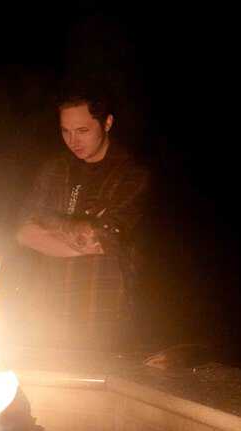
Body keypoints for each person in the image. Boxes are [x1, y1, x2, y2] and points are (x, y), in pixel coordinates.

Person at [15, 87, 149, 349]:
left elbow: (103, 239)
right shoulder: (55, 169)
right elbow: (22, 232)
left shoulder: (132, 174)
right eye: (66, 131)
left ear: (107, 123)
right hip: (50, 317)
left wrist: (46, 223)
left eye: (83, 131)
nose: (73, 140)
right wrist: (81, 230)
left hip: (106, 318)